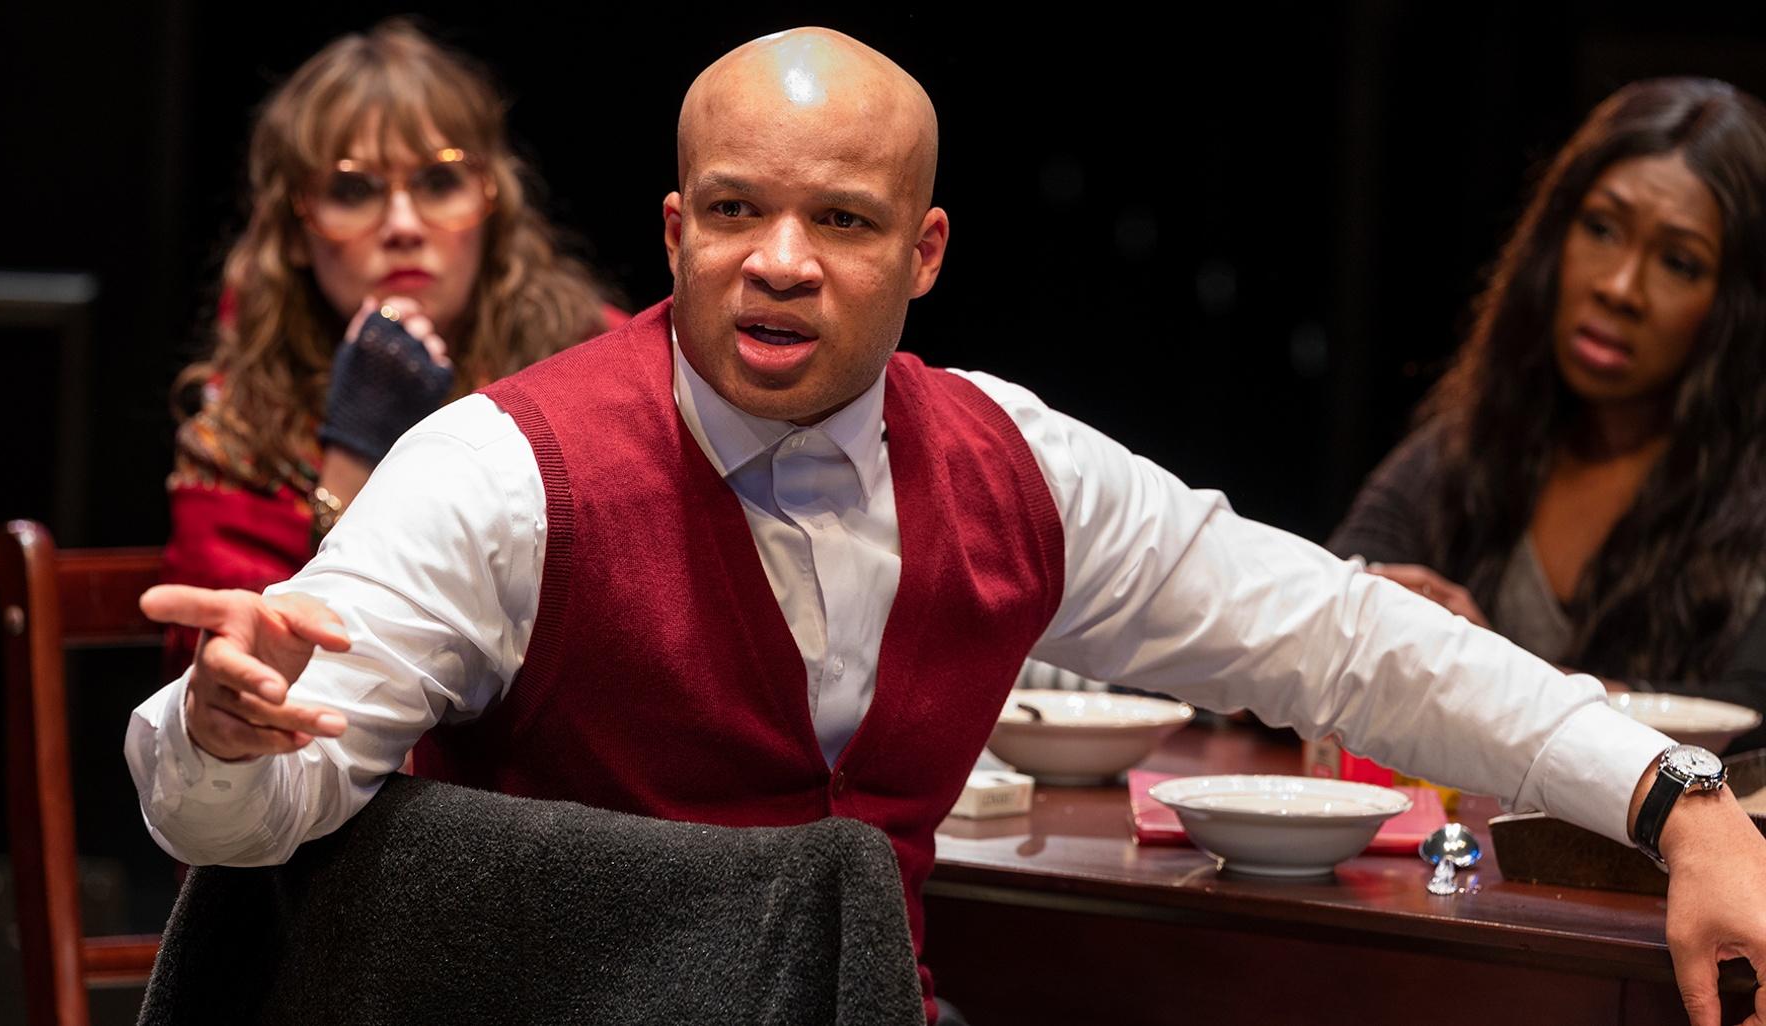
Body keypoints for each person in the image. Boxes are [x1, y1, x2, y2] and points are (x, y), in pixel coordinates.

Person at [127, 30, 1766, 1026]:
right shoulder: (501, 468)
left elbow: (1331, 635)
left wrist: (1672, 803)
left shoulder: (1008, 462)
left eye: (837, 221)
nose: (779, 260)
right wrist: (219, 739)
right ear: (672, 229)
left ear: (919, 252)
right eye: (736, 213)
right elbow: (246, 817)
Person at [161, 19, 619, 667]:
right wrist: (350, 465)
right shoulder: (240, 440)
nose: (403, 226)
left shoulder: (591, 357)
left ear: (492, 203)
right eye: (353, 191)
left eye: (439, 182)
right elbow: (230, 684)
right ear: (294, 231)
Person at [1328, 78, 1766, 753]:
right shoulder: (1467, 448)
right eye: (1600, 229)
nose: (1619, 287)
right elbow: (1319, 612)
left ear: (1738, 308)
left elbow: (1744, 723)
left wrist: (1489, 670)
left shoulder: (1753, 498)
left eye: (1679, 262)